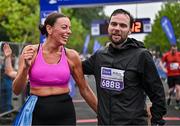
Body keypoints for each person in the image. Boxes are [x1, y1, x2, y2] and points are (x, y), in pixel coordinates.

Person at [82, 9, 166, 125]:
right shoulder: (99, 56)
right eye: (114, 24)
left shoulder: (141, 55)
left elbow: (158, 94)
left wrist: (157, 121)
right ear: (108, 26)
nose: (117, 28)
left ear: (130, 30)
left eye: (123, 25)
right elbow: (76, 67)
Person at [12, 12, 97, 125]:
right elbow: (16, 90)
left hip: (65, 113)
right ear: (49, 29)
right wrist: (25, 68)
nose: (69, 31)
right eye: (64, 27)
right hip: (37, 112)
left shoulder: (71, 55)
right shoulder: (31, 51)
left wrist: (103, 114)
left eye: (69, 28)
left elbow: (85, 89)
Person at [161, 45, 180, 110]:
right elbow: (161, 63)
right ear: (171, 49)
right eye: (173, 50)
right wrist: (163, 69)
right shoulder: (167, 55)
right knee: (171, 90)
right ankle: (169, 97)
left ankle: (177, 103)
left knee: (178, 89)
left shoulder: (179, 54)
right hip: (170, 75)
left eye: (175, 50)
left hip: (178, 74)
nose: (175, 51)